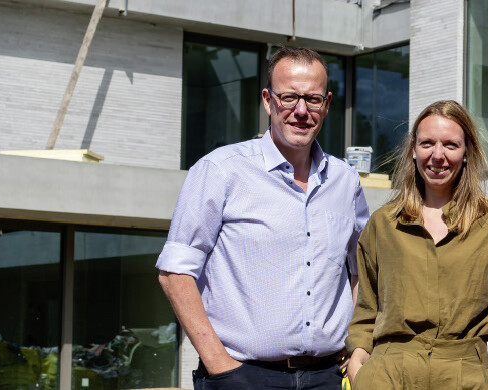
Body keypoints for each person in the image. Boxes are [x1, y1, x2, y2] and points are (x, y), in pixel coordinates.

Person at [156, 46, 369, 390]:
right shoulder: (221, 171)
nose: (301, 111)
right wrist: (221, 367)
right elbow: (175, 273)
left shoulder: (345, 181)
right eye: (289, 98)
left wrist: (358, 341)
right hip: (242, 376)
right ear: (268, 101)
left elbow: (363, 269)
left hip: (329, 377)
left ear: (327, 104)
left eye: (313, 99)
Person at [345, 100, 488, 390]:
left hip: (466, 377)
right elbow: (366, 313)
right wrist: (359, 369)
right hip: (387, 377)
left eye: (451, 145)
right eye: (427, 143)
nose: (437, 155)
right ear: (413, 150)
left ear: (467, 152)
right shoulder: (382, 225)